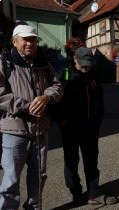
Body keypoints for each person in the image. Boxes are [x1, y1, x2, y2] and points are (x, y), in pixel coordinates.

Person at [0, 24, 63, 209]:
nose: (30, 43)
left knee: (39, 176)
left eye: (33, 39)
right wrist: (28, 107)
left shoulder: (43, 63)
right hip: (14, 130)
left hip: (40, 129)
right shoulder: (4, 62)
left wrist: (46, 97)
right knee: (11, 179)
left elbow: (57, 87)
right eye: (25, 39)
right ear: (15, 41)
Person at [59, 47, 105, 205]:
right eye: (83, 65)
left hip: (90, 127)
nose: (86, 68)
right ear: (75, 60)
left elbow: (100, 101)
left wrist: (98, 120)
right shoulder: (65, 75)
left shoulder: (94, 75)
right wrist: (62, 120)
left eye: (89, 64)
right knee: (71, 162)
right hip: (70, 128)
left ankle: (93, 191)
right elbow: (55, 101)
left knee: (91, 160)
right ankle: (76, 191)